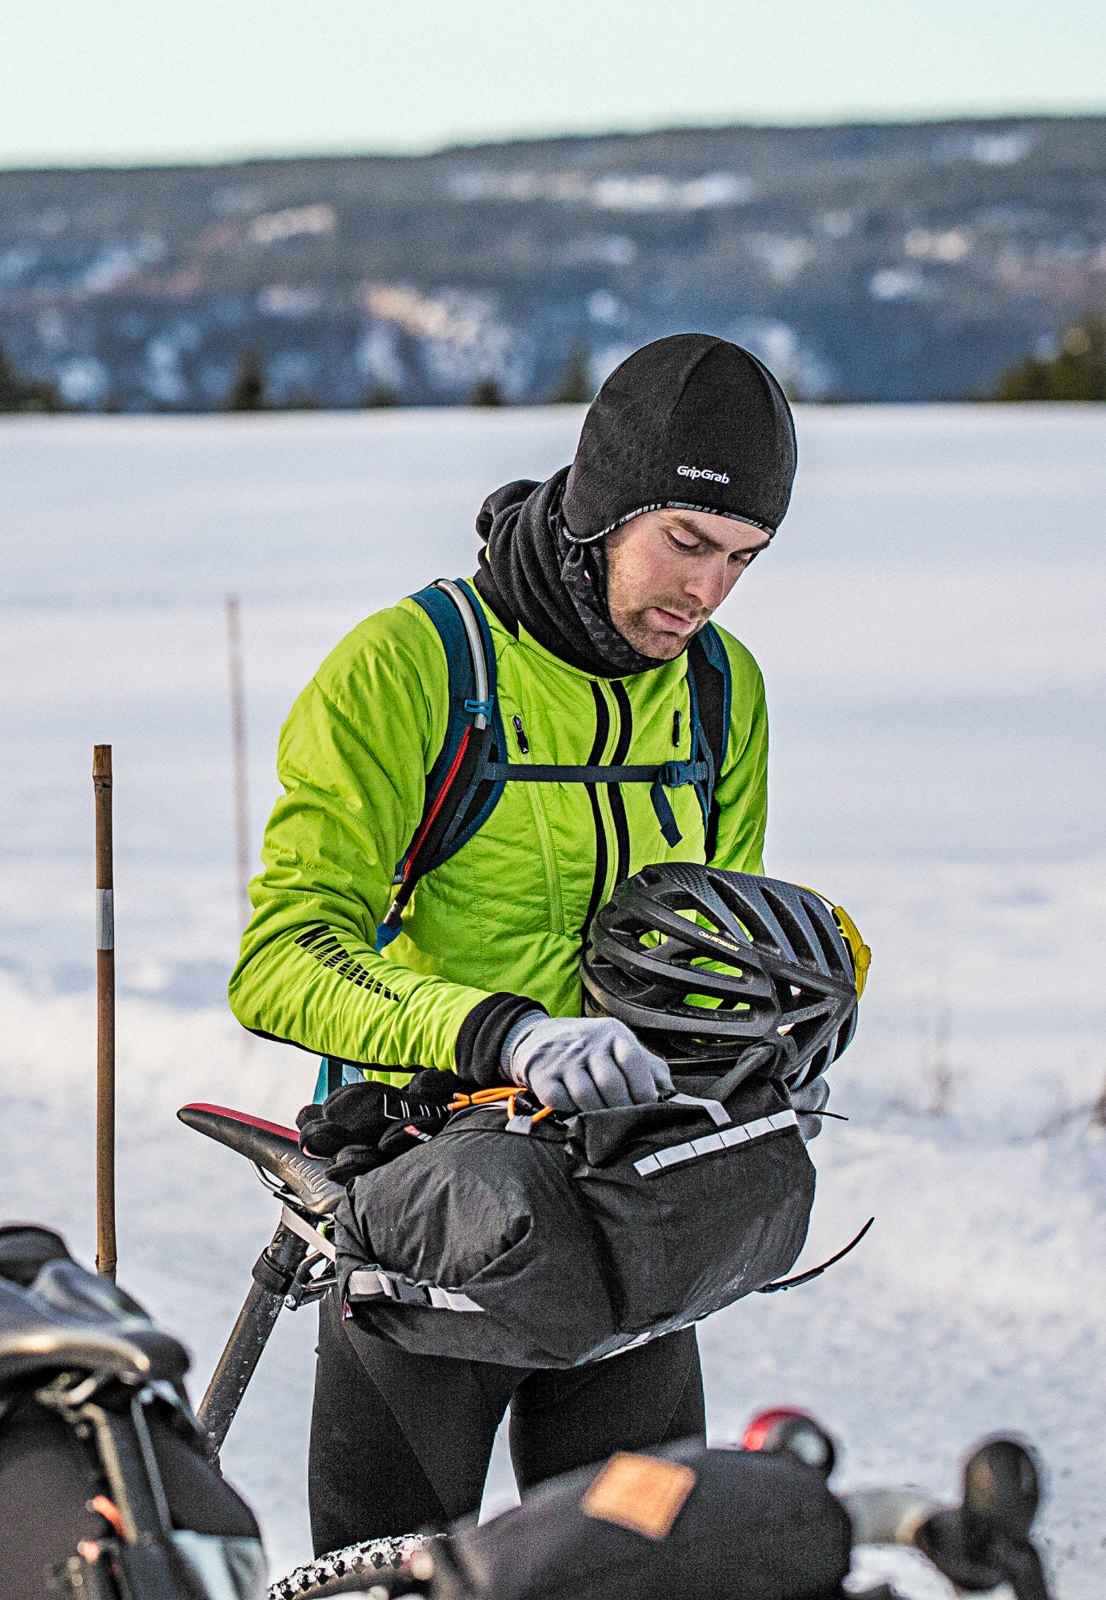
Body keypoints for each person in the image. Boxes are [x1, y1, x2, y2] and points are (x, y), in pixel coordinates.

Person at [228, 333, 801, 1553]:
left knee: (646, 1572)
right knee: (400, 1579)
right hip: (434, 1203)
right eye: (683, 543)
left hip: (633, 1211)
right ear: (599, 512)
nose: (703, 592)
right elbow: (284, 955)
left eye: (743, 559)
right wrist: (503, 1029)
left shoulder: (717, 691)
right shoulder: (414, 667)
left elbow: (714, 944)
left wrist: (771, 1019)